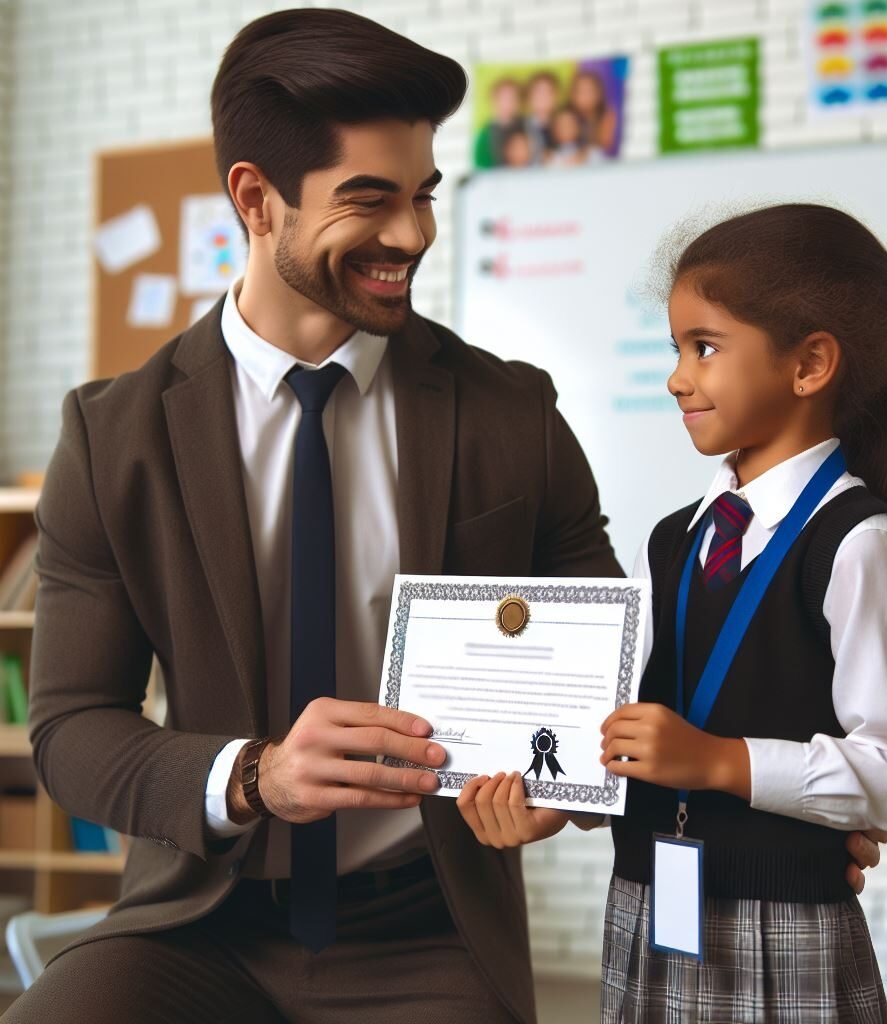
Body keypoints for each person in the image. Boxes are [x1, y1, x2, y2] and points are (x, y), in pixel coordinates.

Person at [6, 10, 620, 1023]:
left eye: (423, 196)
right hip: (197, 923)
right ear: (256, 198)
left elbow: (604, 667)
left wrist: (571, 782)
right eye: (369, 200)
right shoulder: (114, 437)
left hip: (424, 929)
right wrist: (255, 776)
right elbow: (71, 729)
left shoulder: (510, 413)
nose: (413, 234)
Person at [457, 204, 887, 1023]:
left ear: (810, 364)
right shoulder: (674, 539)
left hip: (782, 928)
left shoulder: (855, 544)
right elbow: (636, 729)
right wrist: (562, 797)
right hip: (648, 907)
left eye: (705, 348)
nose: (679, 377)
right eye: (676, 349)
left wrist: (721, 762)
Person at [474, 76, 525, 169]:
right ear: (494, 101)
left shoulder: (526, 128)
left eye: (513, 98)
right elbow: (480, 168)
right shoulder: (485, 135)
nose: (508, 103)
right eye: (503, 99)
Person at [570, 69, 618, 155]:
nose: (585, 96)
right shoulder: (567, 115)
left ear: (598, 94)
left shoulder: (606, 114)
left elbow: (605, 143)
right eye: (581, 91)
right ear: (573, 94)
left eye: (589, 91)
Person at [524, 70, 560, 163]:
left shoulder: (564, 124)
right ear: (529, 97)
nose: (543, 96)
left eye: (548, 92)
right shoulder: (521, 127)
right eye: (538, 92)